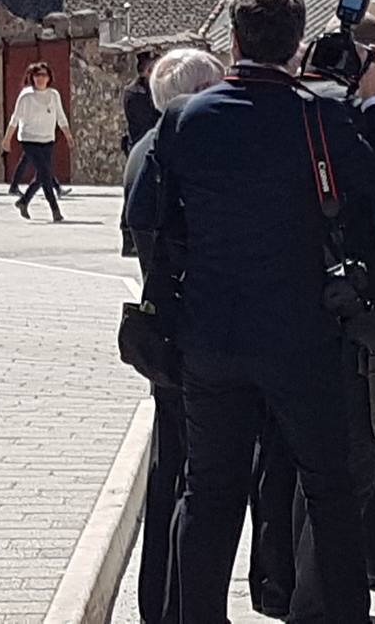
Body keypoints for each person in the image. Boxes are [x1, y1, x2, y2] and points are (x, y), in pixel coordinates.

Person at [127, 0, 375, 620]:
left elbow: (154, 223)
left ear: (234, 39)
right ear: (296, 45)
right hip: (303, 335)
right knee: (329, 490)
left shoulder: (183, 119)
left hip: (210, 335)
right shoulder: (322, 115)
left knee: (209, 493)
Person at [121, 48, 226, 624]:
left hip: (170, 328)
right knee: (185, 477)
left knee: (174, 474)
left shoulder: (149, 147)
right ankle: (170, 606)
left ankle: (161, 604)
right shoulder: (172, 152)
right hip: (188, 331)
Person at [3, 61, 72, 223]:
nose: (41, 79)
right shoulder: (26, 95)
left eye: (44, 75)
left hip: (47, 139)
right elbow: (15, 118)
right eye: (37, 75)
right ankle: (55, 211)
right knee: (45, 173)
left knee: (43, 175)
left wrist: (68, 135)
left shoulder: (54, 95)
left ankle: (24, 201)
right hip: (29, 139)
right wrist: (7, 139)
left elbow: (60, 116)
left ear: (49, 78)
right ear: (32, 77)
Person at [123, 50, 161, 152]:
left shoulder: (154, 89)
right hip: (144, 149)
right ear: (147, 72)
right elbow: (149, 127)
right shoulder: (135, 94)